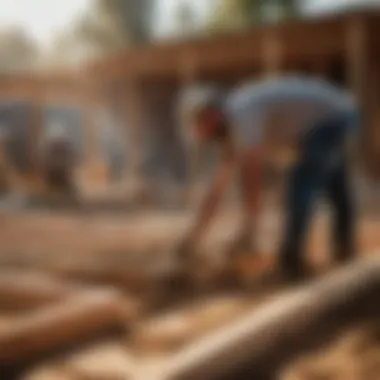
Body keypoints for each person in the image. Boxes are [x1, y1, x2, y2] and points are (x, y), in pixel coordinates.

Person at [176, 75, 358, 280]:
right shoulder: (233, 125)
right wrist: (194, 236)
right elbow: (216, 190)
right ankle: (345, 250)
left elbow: (252, 179)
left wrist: (250, 228)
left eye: (200, 127)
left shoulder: (242, 116)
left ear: (210, 115)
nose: (203, 135)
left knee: (302, 183)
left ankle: (291, 261)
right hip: (336, 113)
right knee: (335, 184)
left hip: (330, 117)